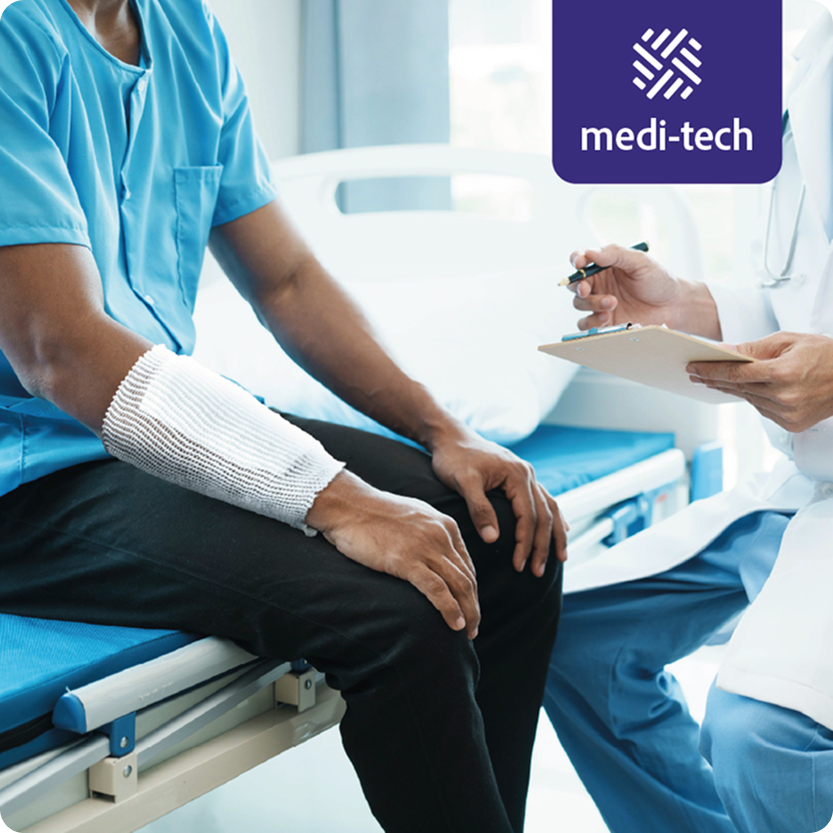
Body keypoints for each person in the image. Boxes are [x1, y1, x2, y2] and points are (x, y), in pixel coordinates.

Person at [0, 1, 568, 831]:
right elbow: (59, 349)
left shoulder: (184, 31)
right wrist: (346, 504)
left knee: (507, 534)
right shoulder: (17, 34)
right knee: (398, 615)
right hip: (32, 479)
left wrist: (445, 431)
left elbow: (287, 280)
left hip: (162, 434)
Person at [544, 9, 833, 833]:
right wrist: (684, 307)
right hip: (803, 478)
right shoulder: (806, 50)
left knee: (766, 737)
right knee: (568, 635)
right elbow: (797, 291)